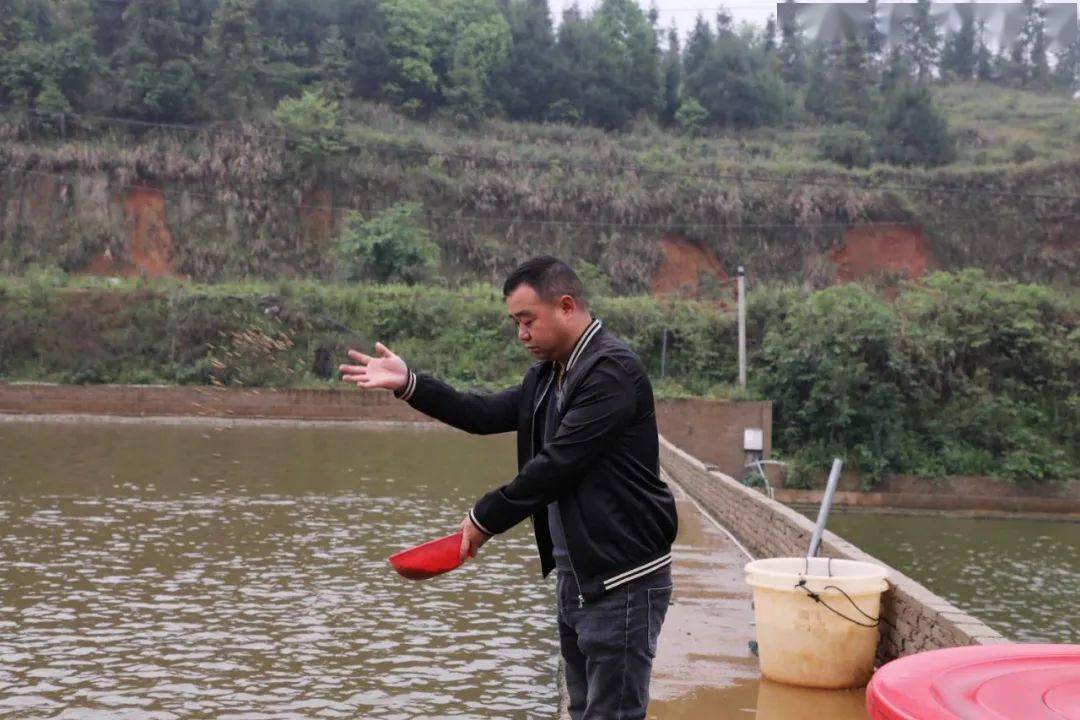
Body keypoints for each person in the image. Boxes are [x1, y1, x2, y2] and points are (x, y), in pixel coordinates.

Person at [338, 255, 678, 719]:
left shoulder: (610, 372)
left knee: (612, 713)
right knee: (583, 708)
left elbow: (557, 465)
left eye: (527, 320)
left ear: (565, 306)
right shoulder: (549, 375)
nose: (521, 334)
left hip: (622, 578)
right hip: (578, 574)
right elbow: (481, 414)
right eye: (516, 322)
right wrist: (410, 383)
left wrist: (482, 520)